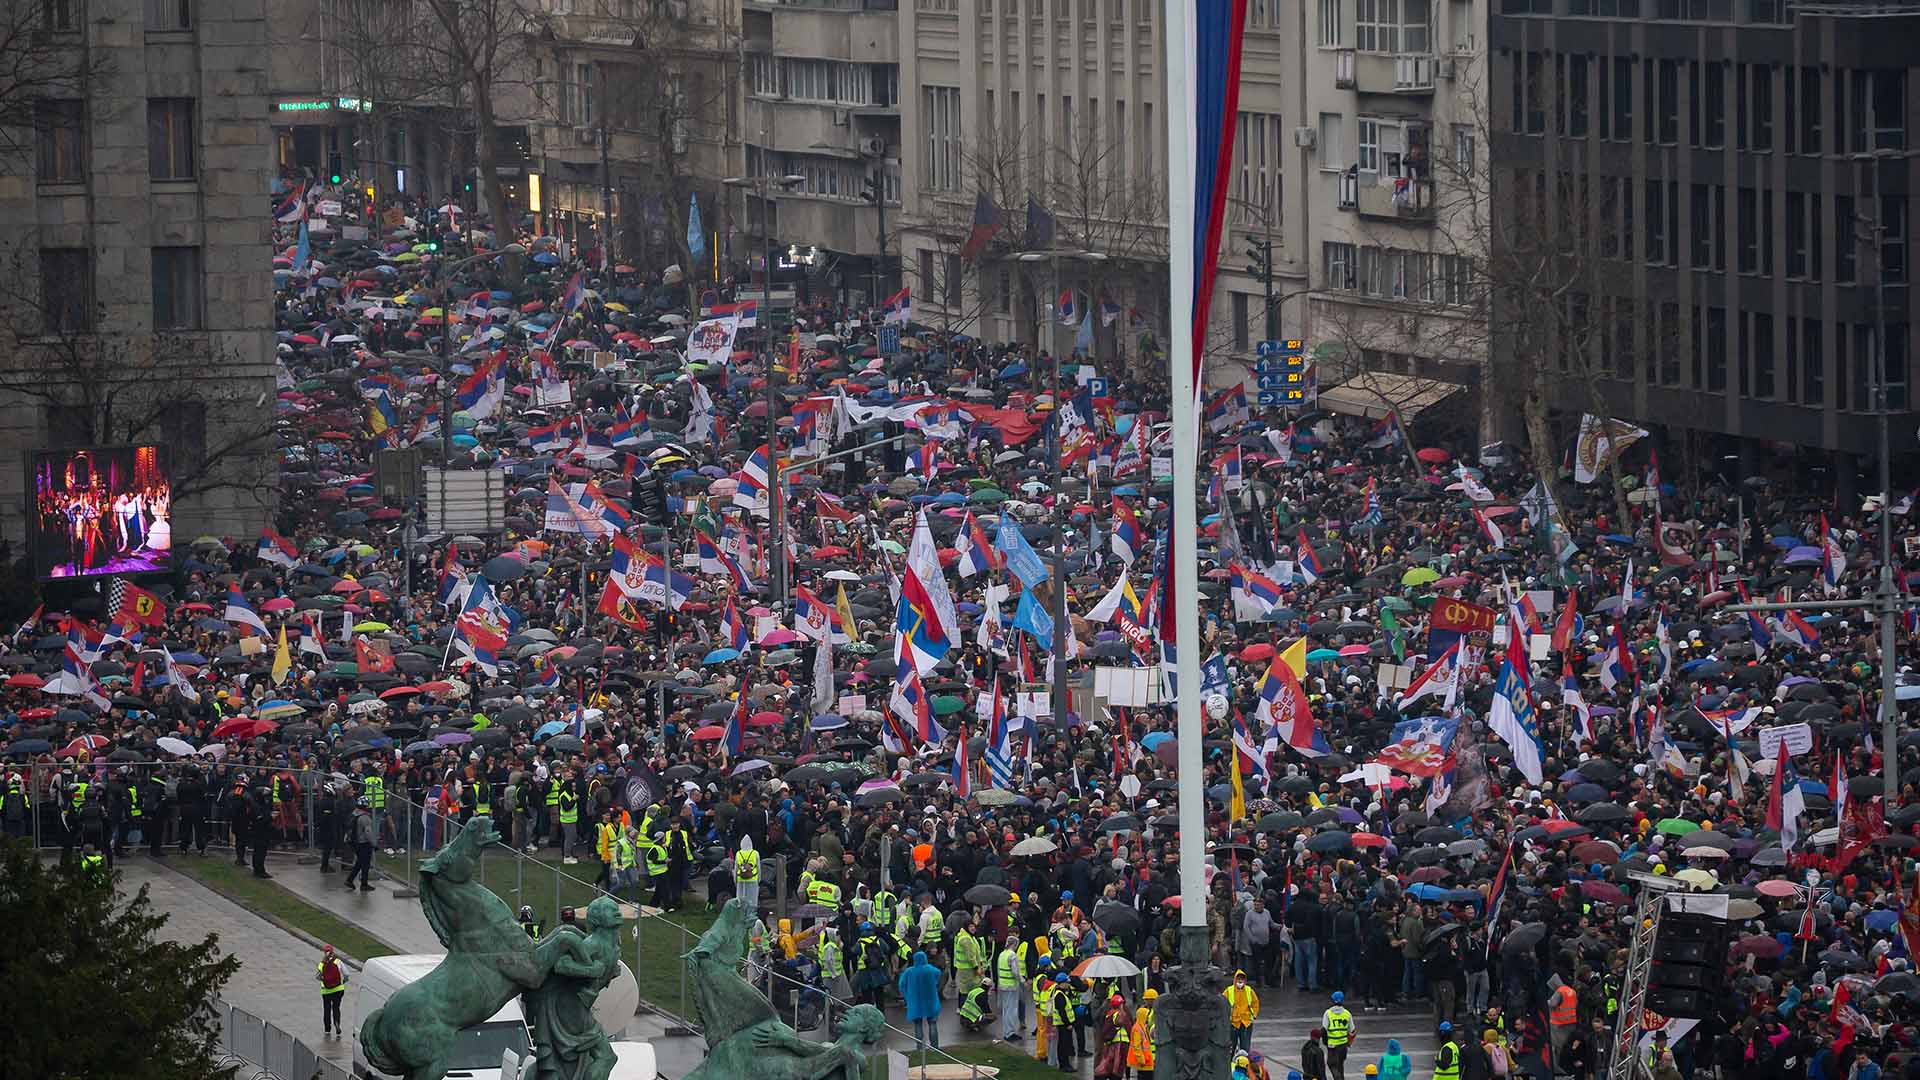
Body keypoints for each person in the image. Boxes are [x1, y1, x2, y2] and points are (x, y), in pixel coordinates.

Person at [898, 950, 942, 1052]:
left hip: (915, 1001)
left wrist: (907, 996)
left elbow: (901, 984)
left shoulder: (909, 971)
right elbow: (939, 973)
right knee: (932, 1023)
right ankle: (934, 1047)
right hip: (930, 1000)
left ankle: (919, 1048)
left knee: (918, 1025)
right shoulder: (930, 969)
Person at [995, 930, 1026, 1042]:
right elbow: (1015, 972)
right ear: (1014, 944)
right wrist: (1022, 981)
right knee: (1012, 1010)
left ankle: (1006, 1032)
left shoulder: (1002, 954)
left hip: (1003, 986)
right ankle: (1010, 1033)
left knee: (1006, 1010)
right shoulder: (1012, 955)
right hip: (1012, 987)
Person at [1094, 992, 1131, 1080]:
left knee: (1108, 1062)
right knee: (1118, 1065)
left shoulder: (1109, 1013)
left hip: (1110, 1042)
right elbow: (1126, 1025)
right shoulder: (1119, 1014)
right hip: (1120, 1043)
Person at [343, 795, 375, 891]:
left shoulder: (354, 814)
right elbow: (368, 832)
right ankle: (363, 884)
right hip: (363, 843)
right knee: (365, 864)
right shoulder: (365, 817)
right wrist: (374, 843)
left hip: (354, 842)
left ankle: (351, 880)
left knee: (360, 862)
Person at [1049, 972, 1080, 1072]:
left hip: (1063, 1024)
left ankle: (1065, 1064)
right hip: (1063, 1025)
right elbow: (1062, 1011)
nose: (1068, 984)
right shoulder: (1059, 995)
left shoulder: (1061, 993)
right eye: (1067, 982)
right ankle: (1064, 1065)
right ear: (1062, 983)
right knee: (1063, 1045)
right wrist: (1068, 1024)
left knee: (1063, 1045)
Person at [1547, 974, 1579, 1070]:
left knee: (1557, 1047)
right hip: (1571, 1022)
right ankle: (1568, 1066)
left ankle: (1557, 1067)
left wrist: (1547, 1001)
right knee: (1568, 1046)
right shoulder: (1571, 991)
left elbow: (1552, 1003)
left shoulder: (1559, 991)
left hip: (1558, 1024)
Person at [1226, 969, 1260, 1056]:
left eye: (1242, 979)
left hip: (1246, 1023)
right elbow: (1222, 1003)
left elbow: (1255, 1003)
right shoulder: (1229, 991)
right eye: (1238, 979)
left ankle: (1243, 1065)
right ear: (1235, 980)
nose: (1240, 982)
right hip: (1233, 1023)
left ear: (1245, 981)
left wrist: (1254, 1015)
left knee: (1245, 1049)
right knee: (1230, 1048)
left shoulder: (1249, 991)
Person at [317, 944, 348, 1035]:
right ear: (333, 951)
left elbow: (317, 977)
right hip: (338, 989)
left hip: (326, 991)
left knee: (327, 1009)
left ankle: (327, 1029)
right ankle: (337, 1023)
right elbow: (346, 974)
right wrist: (344, 981)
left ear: (324, 952)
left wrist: (323, 979)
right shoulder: (338, 962)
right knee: (336, 1008)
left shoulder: (321, 964)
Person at [1325, 990, 1355, 1080]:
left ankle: (1338, 1078)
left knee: (1331, 1064)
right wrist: (1349, 1043)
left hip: (1332, 1045)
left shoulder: (1328, 1013)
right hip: (1343, 1045)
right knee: (1340, 1065)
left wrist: (1325, 1042)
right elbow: (1352, 1030)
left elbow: (1324, 1029)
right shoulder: (1347, 1013)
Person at [1128, 997, 1157, 1080]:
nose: (1148, 1017)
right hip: (1144, 1064)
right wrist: (1141, 1060)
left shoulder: (1143, 1027)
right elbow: (1137, 1047)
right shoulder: (1138, 1029)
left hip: (1148, 1062)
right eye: (1146, 1015)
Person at [735, 835, 761, 913]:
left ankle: (741, 914)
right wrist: (759, 879)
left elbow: (736, 869)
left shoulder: (738, 853)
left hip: (741, 879)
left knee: (741, 899)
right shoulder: (755, 853)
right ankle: (752, 914)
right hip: (753, 879)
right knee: (752, 899)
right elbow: (758, 867)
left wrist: (735, 880)